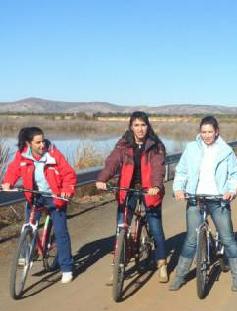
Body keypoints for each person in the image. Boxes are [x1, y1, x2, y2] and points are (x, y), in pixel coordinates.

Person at [169, 115, 237, 292]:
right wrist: (179, 188)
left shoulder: (226, 150)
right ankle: (180, 276)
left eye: (210, 131)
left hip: (219, 199)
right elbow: (181, 171)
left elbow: (235, 174)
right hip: (196, 198)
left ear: (216, 132)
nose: (207, 135)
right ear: (199, 132)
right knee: (191, 240)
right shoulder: (192, 148)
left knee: (227, 238)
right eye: (204, 132)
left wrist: (231, 190)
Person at [95, 111, 168, 283]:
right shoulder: (123, 145)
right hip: (127, 188)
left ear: (148, 126)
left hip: (149, 189)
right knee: (121, 226)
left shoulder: (155, 146)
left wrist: (156, 186)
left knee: (155, 227)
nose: (140, 129)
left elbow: (158, 167)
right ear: (131, 127)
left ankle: (162, 263)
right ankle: (118, 265)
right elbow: (112, 162)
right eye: (136, 125)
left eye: (143, 125)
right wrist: (102, 179)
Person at [2, 127, 77, 283]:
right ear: (29, 143)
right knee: (29, 225)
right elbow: (14, 170)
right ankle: (27, 254)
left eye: (43, 141)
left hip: (55, 197)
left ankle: (67, 268)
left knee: (61, 232)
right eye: (38, 142)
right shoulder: (22, 155)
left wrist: (66, 191)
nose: (42, 144)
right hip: (34, 196)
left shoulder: (53, 154)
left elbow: (69, 174)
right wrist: (8, 182)